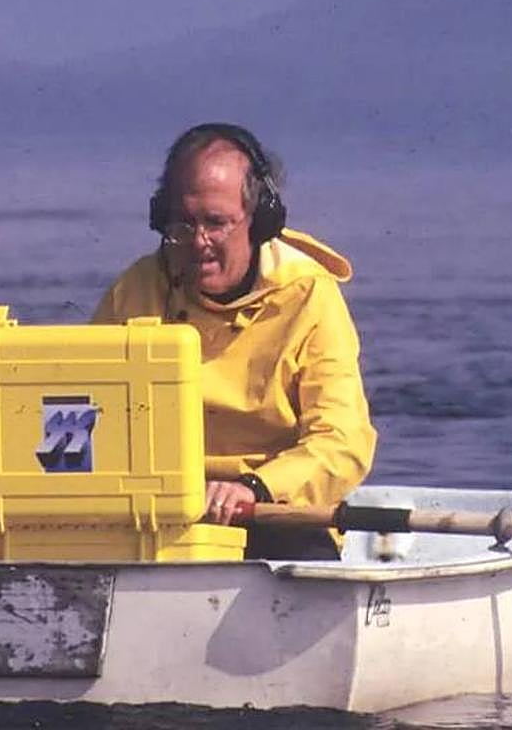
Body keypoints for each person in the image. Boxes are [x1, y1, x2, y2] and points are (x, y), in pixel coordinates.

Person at [92, 123, 376, 559]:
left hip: (272, 513)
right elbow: (87, 409)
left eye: (216, 224)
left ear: (261, 220)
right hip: (159, 513)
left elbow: (343, 441)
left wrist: (255, 489)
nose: (199, 243)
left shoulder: (309, 295)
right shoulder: (135, 290)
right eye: (183, 225)